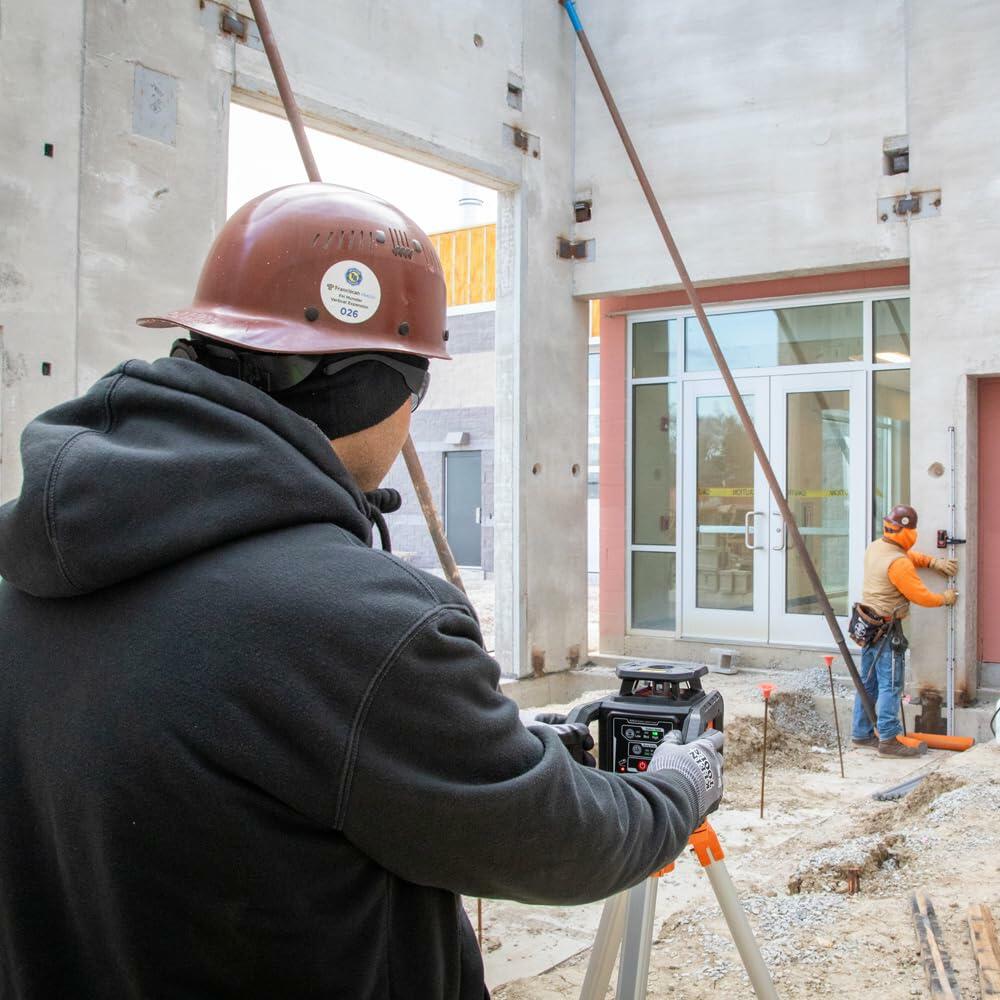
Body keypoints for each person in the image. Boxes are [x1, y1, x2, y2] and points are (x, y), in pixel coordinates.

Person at [0, 183, 724, 999]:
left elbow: (239, 766)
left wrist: (489, 747)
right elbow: (555, 843)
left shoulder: (30, 571)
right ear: (375, 389)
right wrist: (678, 788)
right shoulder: (364, 624)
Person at [851, 504, 958, 758]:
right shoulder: (898, 563)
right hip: (887, 630)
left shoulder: (879, 546)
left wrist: (932, 562)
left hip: (868, 626)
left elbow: (907, 555)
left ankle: (862, 732)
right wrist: (945, 597)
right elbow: (920, 595)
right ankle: (888, 739)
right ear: (909, 531)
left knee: (868, 683)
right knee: (891, 685)